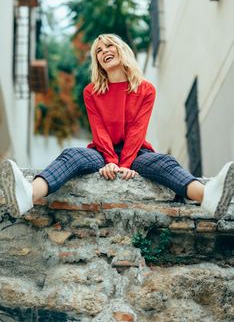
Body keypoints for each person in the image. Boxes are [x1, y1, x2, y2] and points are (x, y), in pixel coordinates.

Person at [0, 34, 233, 218]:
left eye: (109, 46)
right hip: (101, 151)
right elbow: (98, 129)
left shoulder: (145, 89)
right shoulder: (91, 92)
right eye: (99, 51)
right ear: (98, 62)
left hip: (136, 152)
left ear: (121, 51)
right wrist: (111, 161)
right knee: (71, 155)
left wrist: (125, 164)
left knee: (166, 162)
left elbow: (137, 130)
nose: (104, 52)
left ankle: (207, 197)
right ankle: (28, 194)